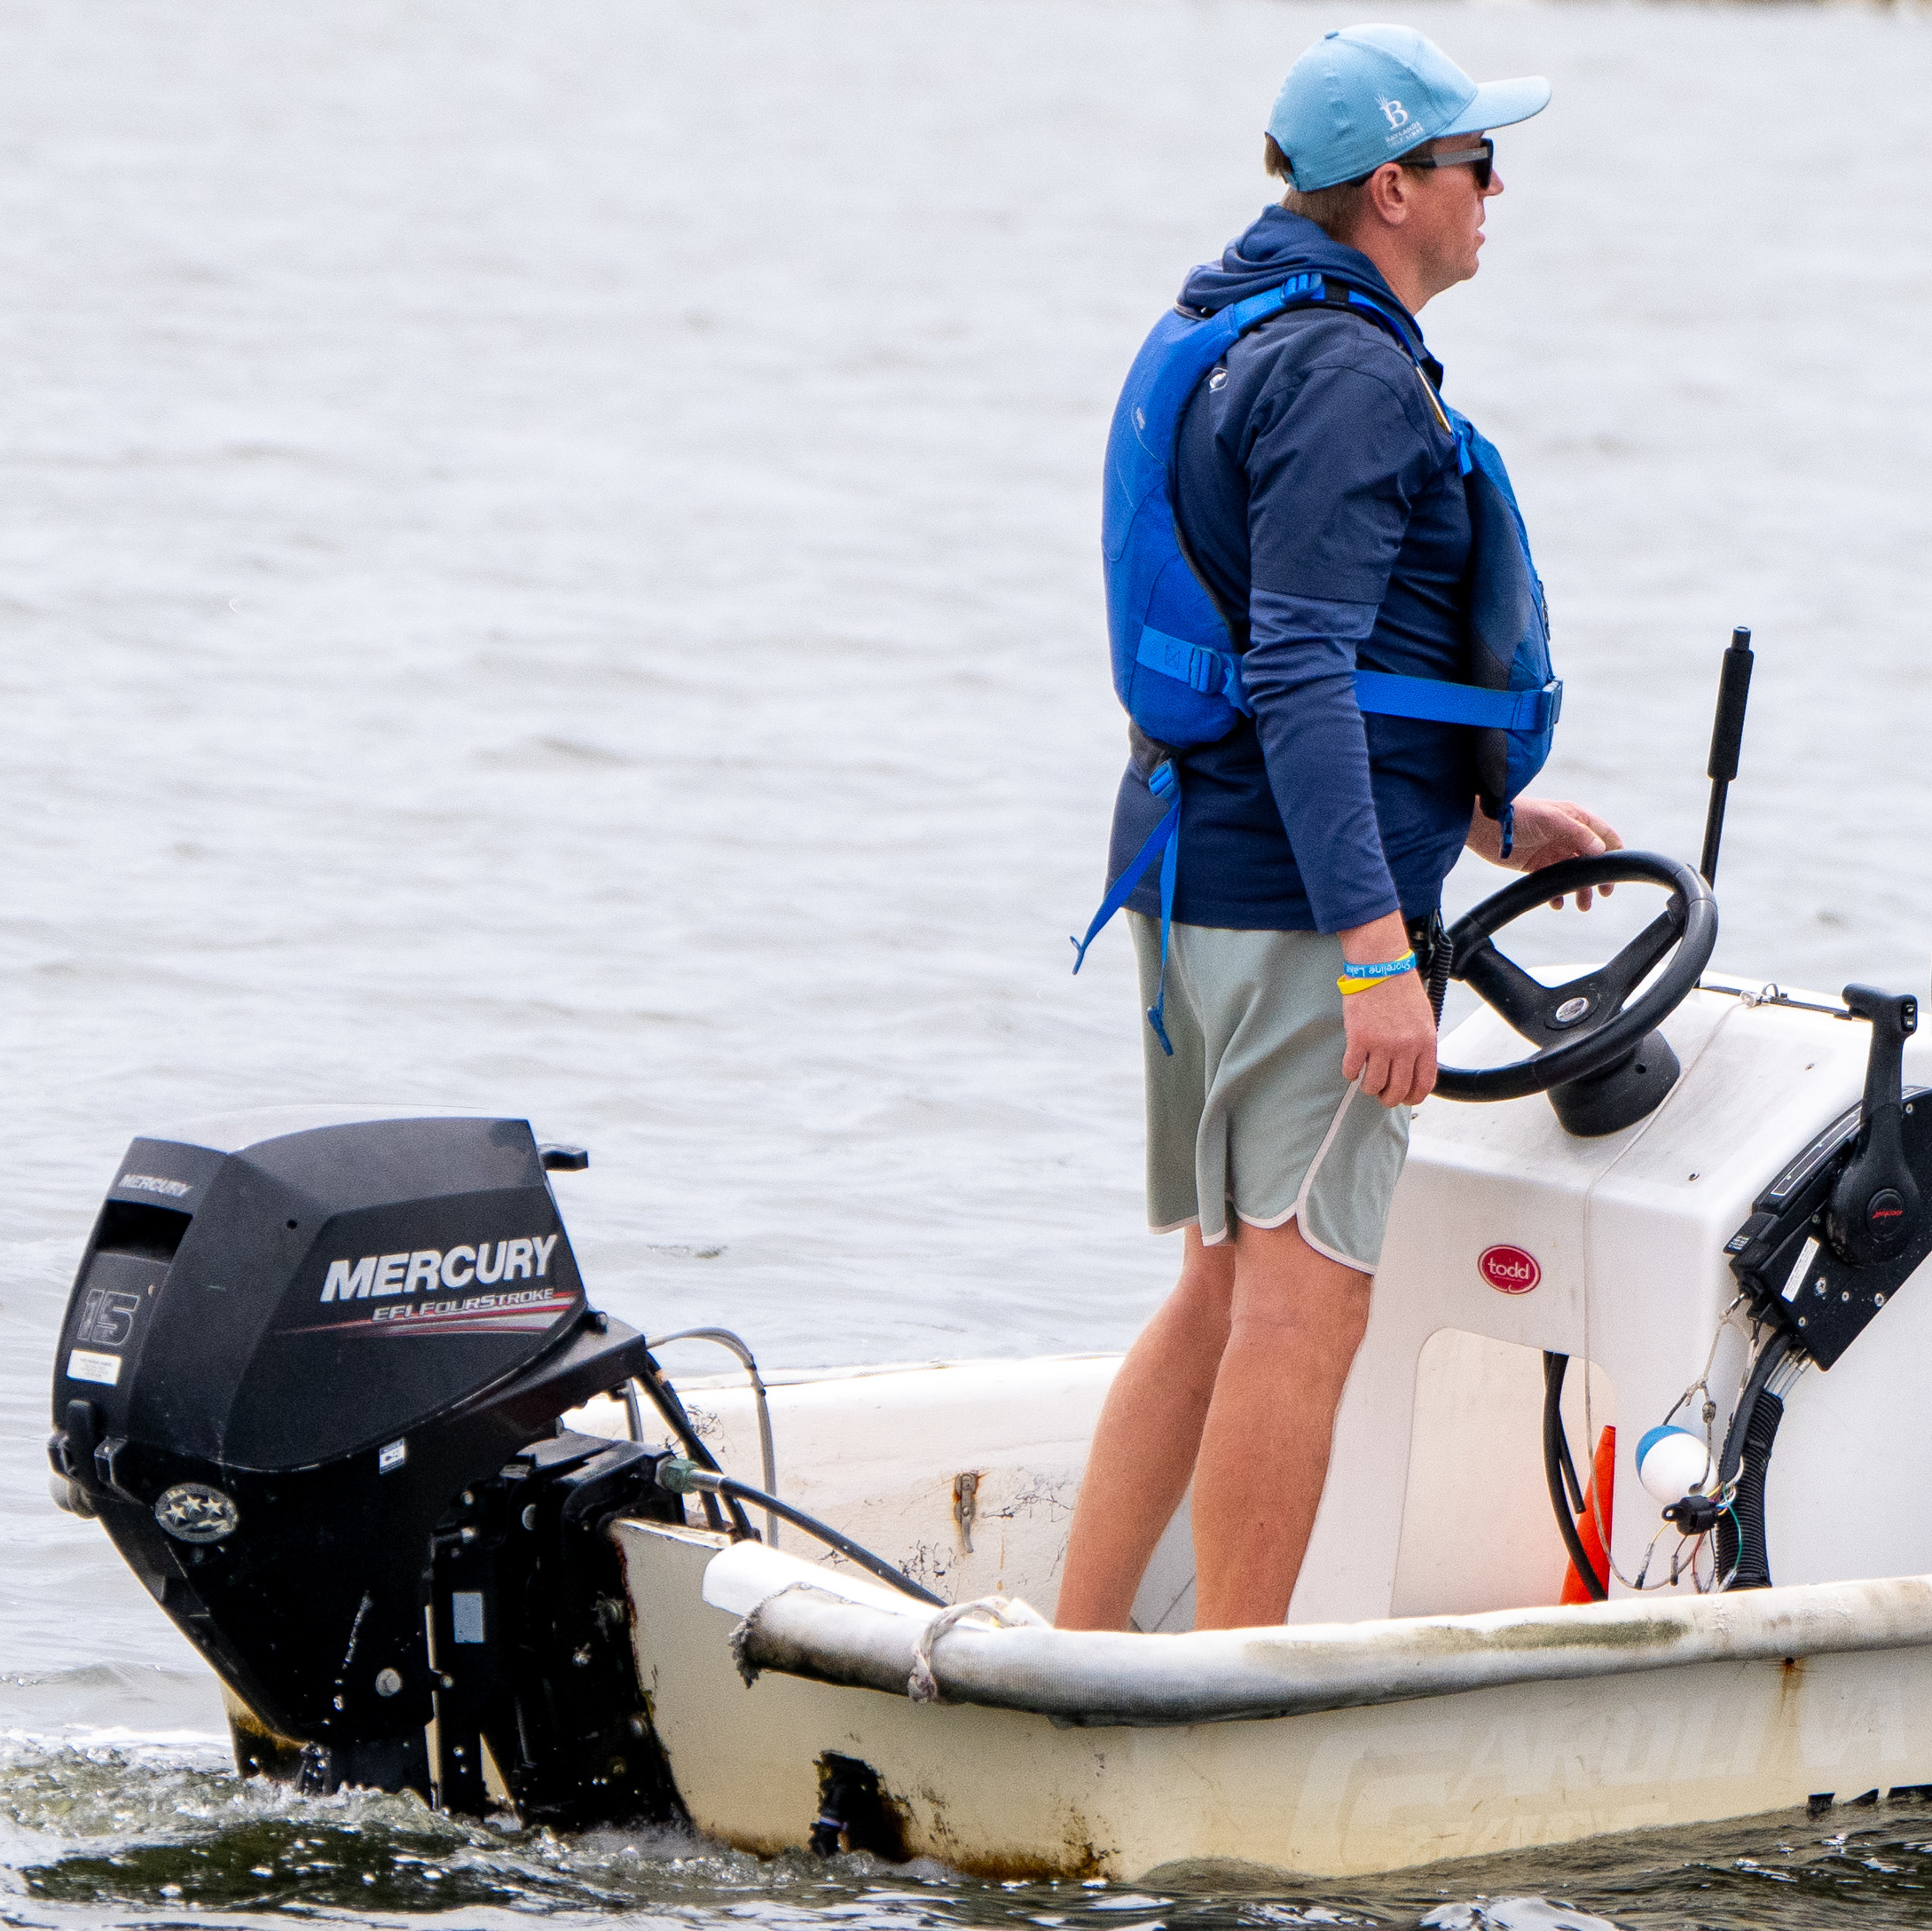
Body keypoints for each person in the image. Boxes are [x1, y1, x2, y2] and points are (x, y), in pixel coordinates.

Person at [1056, 25, 1623, 1633]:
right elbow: (1301, 662)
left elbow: (1278, 653)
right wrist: (1381, 954)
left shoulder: (1233, 326)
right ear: (1392, 190)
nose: (1493, 188)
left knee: (1220, 1285)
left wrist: (1489, 818)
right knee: (1300, 1313)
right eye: (1470, 164)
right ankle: (1231, 1695)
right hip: (1306, 921)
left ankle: (1084, 1643)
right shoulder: (1353, 381)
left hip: (1191, 879)